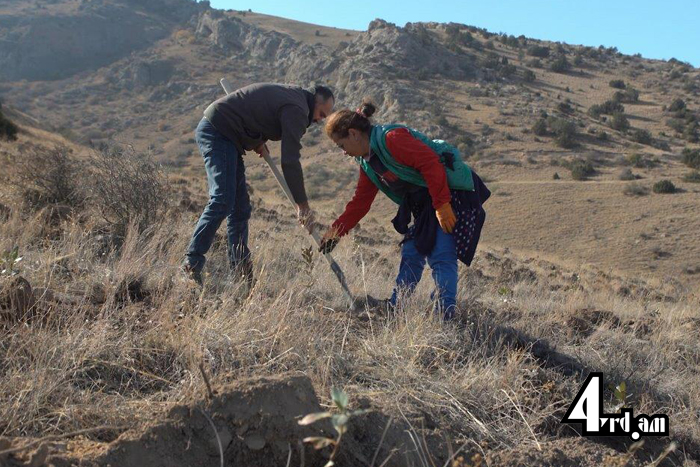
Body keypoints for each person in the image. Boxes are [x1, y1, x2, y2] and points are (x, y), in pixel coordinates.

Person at [320, 101, 490, 321]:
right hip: (425, 204)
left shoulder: (392, 139)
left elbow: (430, 164)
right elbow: (360, 204)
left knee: (441, 255)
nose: (343, 152)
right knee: (411, 253)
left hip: (450, 195)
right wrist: (336, 232)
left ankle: (444, 315)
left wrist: (442, 205)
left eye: (341, 145)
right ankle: (397, 306)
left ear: (353, 133)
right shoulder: (368, 163)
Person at [183, 82, 335, 285]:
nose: (319, 120)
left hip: (230, 135)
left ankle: (241, 276)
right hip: (218, 131)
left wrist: (255, 138)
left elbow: (256, 111)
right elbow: (290, 161)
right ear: (315, 101)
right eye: (322, 114)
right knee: (223, 199)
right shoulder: (298, 109)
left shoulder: (295, 98)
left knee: (240, 209)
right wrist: (302, 205)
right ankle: (190, 265)